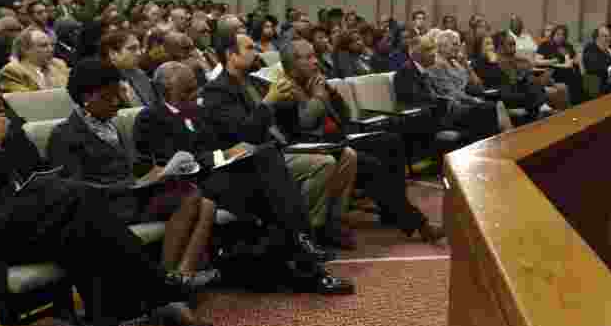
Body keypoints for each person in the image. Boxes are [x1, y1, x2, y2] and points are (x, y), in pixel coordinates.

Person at [0, 62, 204, 326]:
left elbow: (40, 173)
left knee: (82, 230)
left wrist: (13, 151)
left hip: (46, 220)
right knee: (80, 200)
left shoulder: (8, 124)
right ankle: (157, 287)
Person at [48, 59, 218, 326]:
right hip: (104, 210)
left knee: (203, 200)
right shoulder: (65, 135)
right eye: (111, 96)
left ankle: (171, 285)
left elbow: (134, 165)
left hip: (132, 197)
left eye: (119, 93)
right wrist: (129, 185)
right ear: (88, 97)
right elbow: (73, 190)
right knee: (193, 198)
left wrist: (163, 172)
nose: (119, 101)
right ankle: (168, 291)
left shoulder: (111, 125)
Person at [135, 62, 342, 287]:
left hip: (223, 175)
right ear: (166, 89)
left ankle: (297, 253)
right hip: (190, 185)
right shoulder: (150, 118)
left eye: (195, 88)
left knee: (266, 158)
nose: (195, 94)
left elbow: (227, 139)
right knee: (271, 184)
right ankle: (303, 245)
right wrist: (220, 155)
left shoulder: (199, 111)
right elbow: (173, 160)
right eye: (187, 90)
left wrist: (237, 149)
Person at [200, 30, 355, 293]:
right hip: (238, 169)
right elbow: (245, 134)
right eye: (249, 48)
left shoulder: (255, 82)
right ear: (230, 55)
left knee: (337, 155)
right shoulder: (217, 91)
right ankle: (305, 244)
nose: (256, 52)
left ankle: (308, 240)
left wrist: (304, 96)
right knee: (299, 163)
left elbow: (293, 124)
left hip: (272, 156)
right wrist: (270, 101)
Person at [275, 39, 445, 244]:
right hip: (317, 148)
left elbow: (344, 115)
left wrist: (330, 93)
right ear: (293, 64)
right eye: (309, 57)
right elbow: (304, 124)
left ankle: (391, 212)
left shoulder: (315, 81)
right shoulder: (286, 89)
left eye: (315, 56)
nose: (316, 62)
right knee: (371, 165)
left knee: (391, 141)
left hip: (340, 137)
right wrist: (319, 98)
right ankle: (417, 223)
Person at [0, 27, 71, 93]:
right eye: (44, 46)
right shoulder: (12, 71)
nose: (51, 49)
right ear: (25, 49)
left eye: (51, 45)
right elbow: (28, 101)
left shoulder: (58, 64)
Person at [100, 31, 160, 108]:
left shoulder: (139, 73)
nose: (139, 53)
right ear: (112, 53)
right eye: (132, 49)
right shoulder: (105, 81)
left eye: (139, 48)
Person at [536, 24, 587, 105]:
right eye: (558, 34)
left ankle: (579, 105)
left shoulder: (568, 46)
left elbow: (573, 60)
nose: (560, 36)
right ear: (553, 34)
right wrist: (552, 61)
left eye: (563, 34)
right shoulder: (545, 45)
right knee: (574, 79)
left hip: (567, 71)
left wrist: (576, 60)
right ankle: (575, 105)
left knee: (578, 78)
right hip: (552, 71)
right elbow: (537, 61)